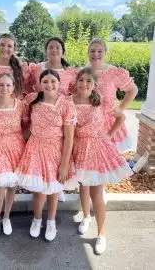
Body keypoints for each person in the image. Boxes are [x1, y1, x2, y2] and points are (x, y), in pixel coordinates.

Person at [77, 38, 138, 236]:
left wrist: (120, 109)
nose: (95, 54)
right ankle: (87, 214)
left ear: (105, 51)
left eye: (99, 51)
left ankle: (99, 214)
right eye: (92, 51)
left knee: (101, 176)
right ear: (88, 52)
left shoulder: (113, 72)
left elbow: (133, 90)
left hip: (106, 127)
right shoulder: (82, 73)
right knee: (85, 180)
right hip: (86, 131)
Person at [72, 67, 133, 254]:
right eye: (81, 80)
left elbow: (121, 116)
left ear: (94, 84)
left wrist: (109, 134)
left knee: (97, 192)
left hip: (98, 149)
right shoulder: (69, 102)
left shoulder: (101, 102)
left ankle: (101, 233)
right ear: (76, 82)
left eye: (89, 81)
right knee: (83, 186)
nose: (84, 84)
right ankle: (86, 216)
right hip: (79, 149)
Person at [17, 69, 76, 242]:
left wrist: (64, 163)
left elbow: (69, 137)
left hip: (55, 150)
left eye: (53, 81)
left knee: (53, 190)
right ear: (39, 84)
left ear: (59, 83)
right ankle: (37, 220)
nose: (49, 85)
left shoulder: (66, 104)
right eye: (45, 81)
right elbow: (25, 124)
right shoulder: (32, 101)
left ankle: (51, 221)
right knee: (39, 190)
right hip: (35, 148)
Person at [28, 36, 78, 202]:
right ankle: (46, 185)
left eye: (57, 47)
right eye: (50, 47)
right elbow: (29, 85)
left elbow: (75, 91)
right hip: (41, 112)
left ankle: (57, 186)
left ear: (63, 51)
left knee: (62, 147)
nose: (54, 50)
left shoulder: (71, 72)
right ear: (46, 50)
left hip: (62, 115)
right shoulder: (37, 69)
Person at [0, 73, 28, 237]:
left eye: (8, 85)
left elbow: (25, 124)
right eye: (1, 85)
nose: (5, 88)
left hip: (16, 145)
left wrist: (19, 140)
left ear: (13, 87)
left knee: (11, 185)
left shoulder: (20, 105)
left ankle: (7, 217)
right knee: (0, 185)